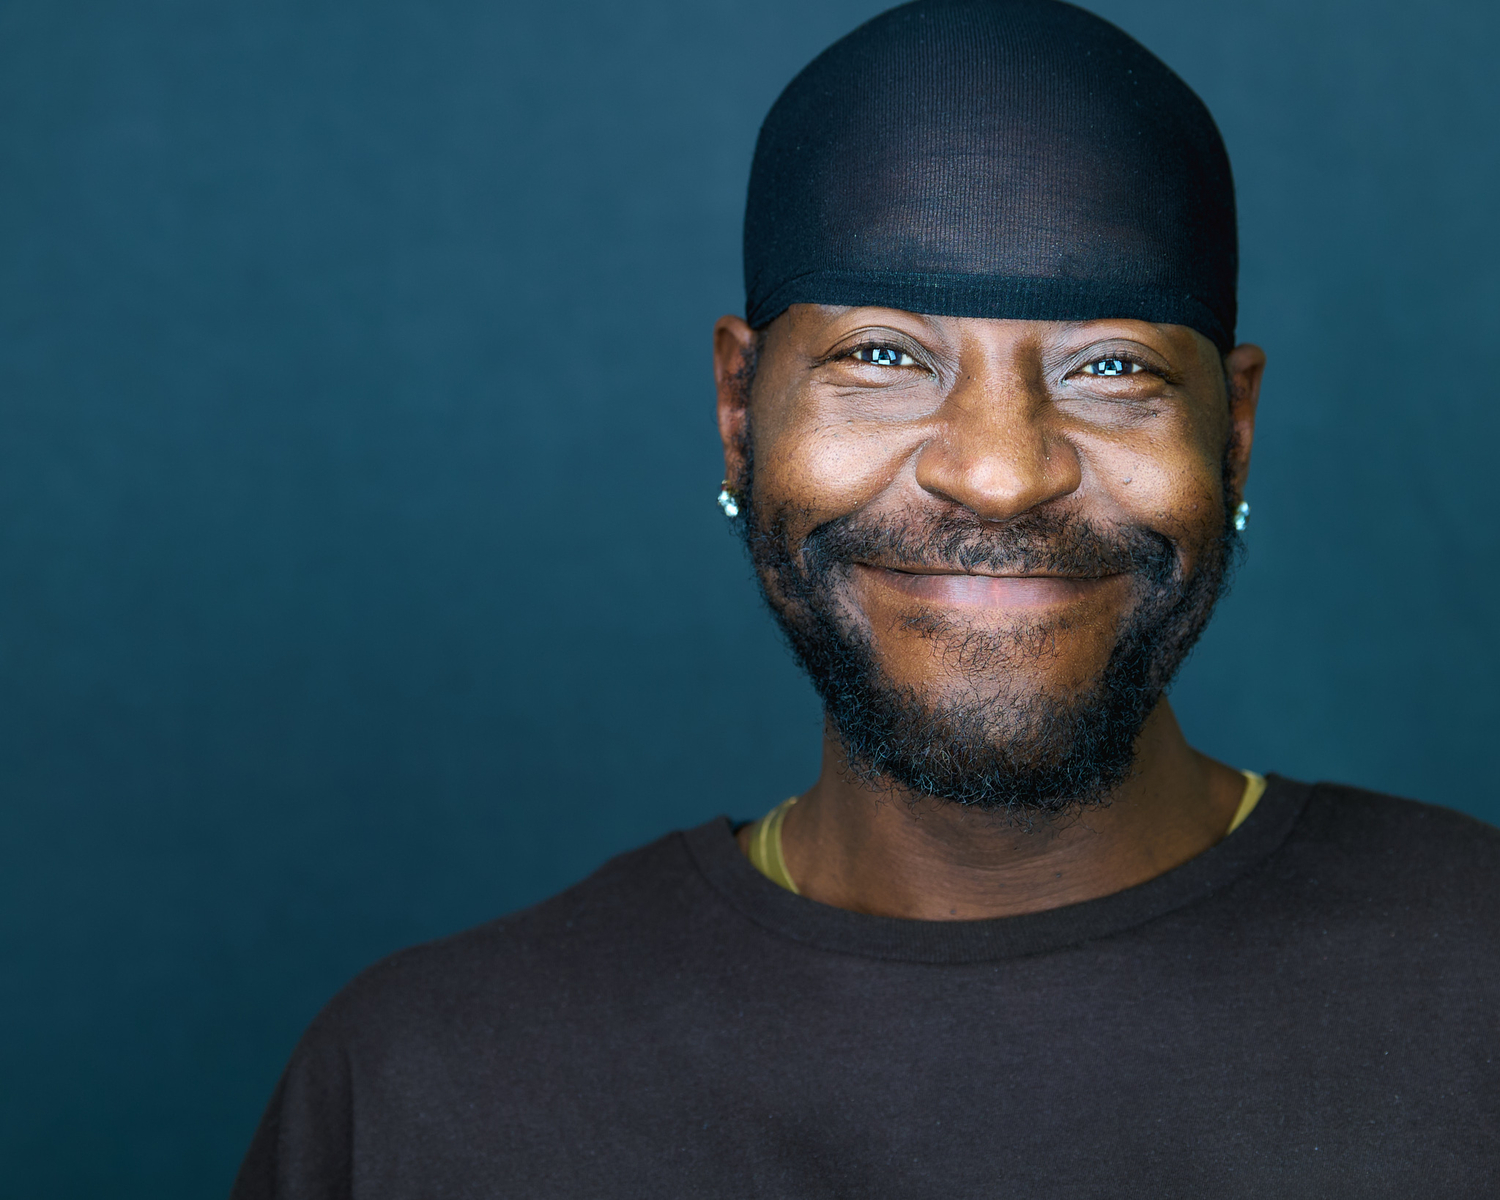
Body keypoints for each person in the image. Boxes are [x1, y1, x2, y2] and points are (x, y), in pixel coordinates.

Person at [232, 1, 1500, 1195]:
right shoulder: (429, 1093)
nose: (999, 475)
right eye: (883, 355)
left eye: (1111, 367)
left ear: (1236, 432)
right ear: (740, 412)